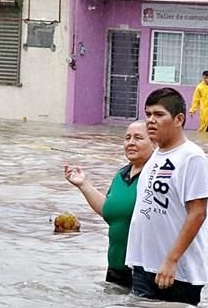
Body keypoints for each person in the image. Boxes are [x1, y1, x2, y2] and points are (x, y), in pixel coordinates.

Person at [125, 88, 208, 306]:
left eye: (159, 115)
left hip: (176, 272)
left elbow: (198, 213)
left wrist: (172, 259)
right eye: (148, 114)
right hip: (144, 265)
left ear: (179, 119)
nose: (151, 121)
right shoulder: (155, 156)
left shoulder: (192, 157)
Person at [63, 121, 154, 288]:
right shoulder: (121, 174)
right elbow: (111, 212)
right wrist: (83, 184)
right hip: (116, 268)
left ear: (155, 142)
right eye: (127, 138)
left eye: (138, 138)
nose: (131, 143)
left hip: (145, 272)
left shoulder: (157, 177)